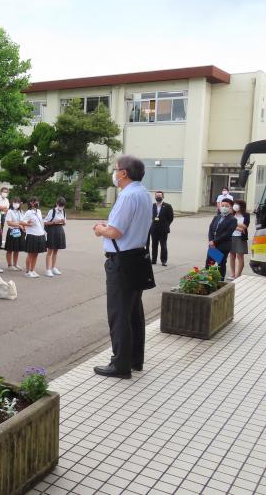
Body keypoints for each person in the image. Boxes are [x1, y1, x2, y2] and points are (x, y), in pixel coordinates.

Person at [92, 155, 152, 379]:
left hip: (121, 260)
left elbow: (116, 231)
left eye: (116, 169)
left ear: (124, 173)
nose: (114, 173)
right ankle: (135, 359)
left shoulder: (127, 196)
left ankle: (120, 364)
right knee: (134, 312)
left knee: (119, 313)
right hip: (137, 256)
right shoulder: (143, 194)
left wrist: (100, 228)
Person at [207, 198, 238, 278]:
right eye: (222, 205)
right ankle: (207, 281)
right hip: (213, 246)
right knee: (209, 264)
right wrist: (211, 241)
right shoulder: (216, 217)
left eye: (226, 206)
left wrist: (214, 241)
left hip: (222, 246)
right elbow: (210, 230)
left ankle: (220, 283)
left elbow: (227, 234)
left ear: (231, 208)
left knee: (220, 264)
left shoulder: (233, 220)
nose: (224, 207)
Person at [22, 197, 47, 277]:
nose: (37, 203)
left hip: (40, 234)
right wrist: (28, 224)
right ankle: (27, 271)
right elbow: (21, 222)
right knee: (30, 254)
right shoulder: (29, 212)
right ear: (31, 203)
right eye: (35, 201)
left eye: (37, 201)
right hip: (32, 235)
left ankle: (32, 270)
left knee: (36, 254)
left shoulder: (39, 211)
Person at [148, 191, 174, 267]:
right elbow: (150, 216)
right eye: (156, 196)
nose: (158, 197)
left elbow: (171, 218)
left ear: (163, 197)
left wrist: (166, 225)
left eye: (159, 196)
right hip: (154, 229)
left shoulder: (168, 206)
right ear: (155, 197)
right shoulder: (152, 206)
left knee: (163, 245)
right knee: (154, 245)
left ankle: (164, 260)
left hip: (163, 230)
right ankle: (153, 260)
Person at [44, 197, 67, 276]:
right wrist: (54, 222)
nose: (61, 207)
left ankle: (53, 267)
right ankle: (48, 269)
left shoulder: (63, 212)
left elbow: (64, 223)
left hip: (60, 230)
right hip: (52, 231)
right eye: (60, 205)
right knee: (50, 250)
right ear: (57, 204)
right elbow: (45, 222)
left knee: (56, 250)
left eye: (63, 205)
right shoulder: (52, 211)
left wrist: (63, 222)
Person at [228, 199, 250, 280]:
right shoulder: (232, 214)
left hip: (241, 237)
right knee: (232, 255)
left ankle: (238, 275)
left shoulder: (246, 215)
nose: (235, 205)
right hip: (231, 236)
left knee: (239, 255)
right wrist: (238, 227)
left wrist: (234, 223)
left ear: (241, 206)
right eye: (234, 204)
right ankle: (233, 274)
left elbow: (245, 226)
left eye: (237, 204)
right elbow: (228, 224)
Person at [3, 197, 25, 270]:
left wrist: (24, 227)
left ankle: (15, 264)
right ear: (12, 203)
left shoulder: (21, 211)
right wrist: (18, 225)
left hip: (19, 231)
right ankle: (10, 265)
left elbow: (23, 221)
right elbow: (9, 223)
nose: (16, 204)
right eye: (15, 202)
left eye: (18, 202)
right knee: (10, 249)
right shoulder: (10, 211)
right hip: (12, 231)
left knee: (17, 249)